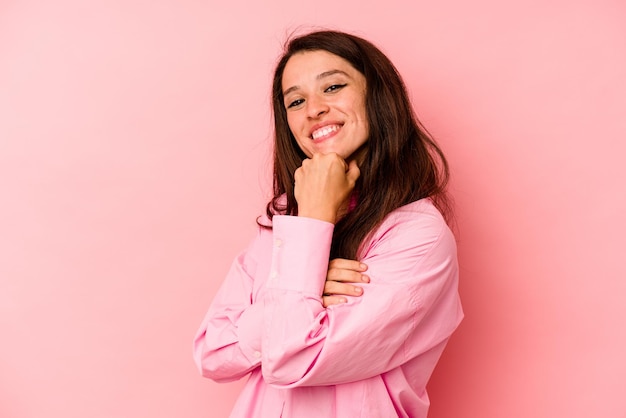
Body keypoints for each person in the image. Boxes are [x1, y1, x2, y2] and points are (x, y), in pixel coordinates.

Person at [193, 30, 463, 418]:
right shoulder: (286, 220)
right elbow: (213, 353)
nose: (312, 110)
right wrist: (306, 280)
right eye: (296, 101)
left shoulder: (417, 236)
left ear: (379, 96)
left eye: (333, 87)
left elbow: (291, 359)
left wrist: (309, 233)